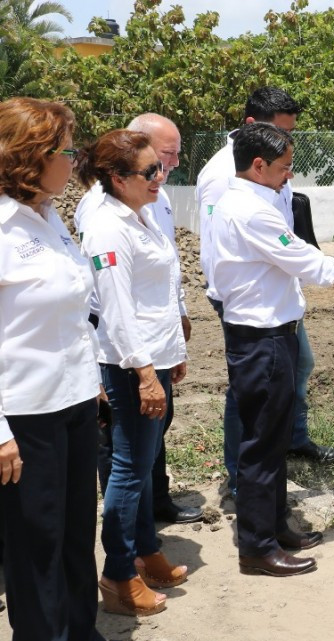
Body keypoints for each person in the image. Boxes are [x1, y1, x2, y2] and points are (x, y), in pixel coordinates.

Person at [211, 123, 334, 577]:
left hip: (274, 334)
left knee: (274, 440)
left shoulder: (249, 201)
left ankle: (275, 527)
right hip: (262, 340)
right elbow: (307, 262)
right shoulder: (250, 210)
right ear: (259, 166)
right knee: (261, 444)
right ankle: (257, 548)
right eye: (284, 167)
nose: (289, 176)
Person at [196, 88, 334, 502]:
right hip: (245, 296)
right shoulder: (223, 174)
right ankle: (241, 476)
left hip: (277, 285)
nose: (286, 142)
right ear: (252, 127)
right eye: (280, 131)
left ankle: (290, 440)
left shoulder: (271, 163)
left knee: (297, 365)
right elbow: (217, 242)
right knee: (250, 387)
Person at [0, 97, 106, 640]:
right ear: (31, 157)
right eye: (67, 150)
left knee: (75, 536)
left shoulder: (50, 218)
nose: (76, 159)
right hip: (25, 415)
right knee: (35, 546)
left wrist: (95, 382)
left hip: (75, 401)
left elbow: (74, 311)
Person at [77, 129, 189, 616]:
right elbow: (117, 309)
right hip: (129, 365)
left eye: (158, 167)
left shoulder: (140, 214)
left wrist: (173, 351)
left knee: (143, 464)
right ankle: (118, 574)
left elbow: (156, 294)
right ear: (118, 178)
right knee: (128, 468)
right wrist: (145, 373)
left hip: (154, 357)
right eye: (149, 170)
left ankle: (146, 550)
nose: (159, 176)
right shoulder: (107, 226)